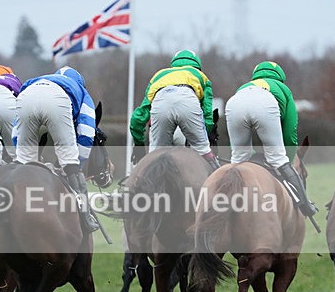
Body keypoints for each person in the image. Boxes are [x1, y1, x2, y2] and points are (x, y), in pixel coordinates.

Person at [13, 66, 99, 232]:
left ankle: (15, 209)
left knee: (25, 165)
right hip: (57, 99)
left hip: (26, 96)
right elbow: (87, 132)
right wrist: (76, 165)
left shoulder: (37, 79)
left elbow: (16, 131)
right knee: (70, 162)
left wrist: (22, 154)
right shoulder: (80, 91)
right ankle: (85, 216)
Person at [225, 61, 318, 217]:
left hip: (234, 102)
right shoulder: (283, 89)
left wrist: (246, 155)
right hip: (264, 102)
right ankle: (306, 206)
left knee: (237, 162)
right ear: (280, 77)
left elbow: (236, 138)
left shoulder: (243, 87)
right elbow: (289, 133)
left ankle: (224, 206)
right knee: (279, 159)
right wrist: (286, 160)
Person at [129, 49, 220, 169]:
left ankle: (139, 184)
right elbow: (207, 116)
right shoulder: (201, 77)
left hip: (161, 105)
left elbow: (139, 117)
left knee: (155, 159)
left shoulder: (159, 75)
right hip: (188, 103)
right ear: (197, 66)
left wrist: (139, 144)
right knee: (204, 152)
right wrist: (200, 138)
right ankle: (219, 181)